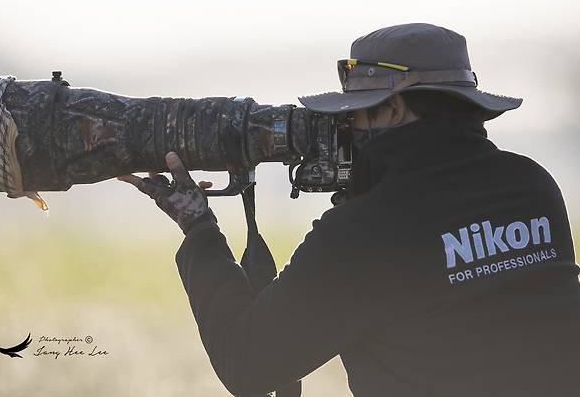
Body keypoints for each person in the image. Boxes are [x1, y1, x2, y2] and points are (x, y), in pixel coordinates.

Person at [118, 23, 580, 396]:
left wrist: (199, 228)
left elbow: (247, 365)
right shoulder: (532, 186)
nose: (347, 127)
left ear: (393, 109)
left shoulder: (364, 234)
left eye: (355, 112)